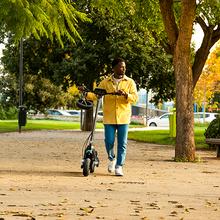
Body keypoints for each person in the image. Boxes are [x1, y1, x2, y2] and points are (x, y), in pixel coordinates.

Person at [83, 58, 138, 176]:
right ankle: (112, 159)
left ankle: (119, 166)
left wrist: (126, 95)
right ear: (114, 68)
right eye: (120, 66)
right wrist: (86, 94)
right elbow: (96, 94)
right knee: (109, 141)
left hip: (124, 117)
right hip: (109, 117)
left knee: (122, 143)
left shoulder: (130, 82)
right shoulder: (105, 82)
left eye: (124, 67)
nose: (123, 69)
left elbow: (134, 98)